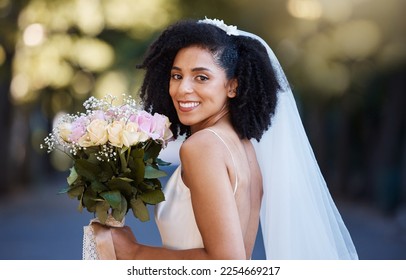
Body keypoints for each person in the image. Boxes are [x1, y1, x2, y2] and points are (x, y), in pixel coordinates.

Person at [107, 18, 358, 260]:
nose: (183, 88)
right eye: (176, 76)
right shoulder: (244, 147)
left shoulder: (202, 147)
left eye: (201, 77)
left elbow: (225, 261)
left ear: (232, 86)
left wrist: (134, 253)